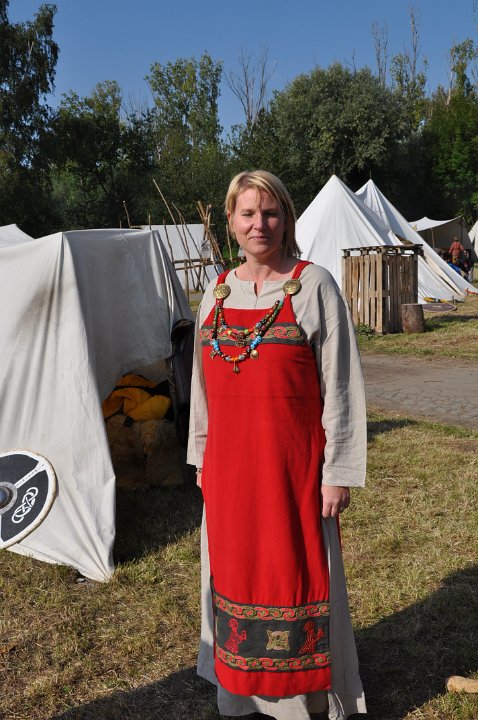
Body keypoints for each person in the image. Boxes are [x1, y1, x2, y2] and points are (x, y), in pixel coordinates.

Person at [187, 170, 367, 720]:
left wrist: (337, 471)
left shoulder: (314, 287)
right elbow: (200, 387)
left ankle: (303, 702)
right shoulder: (216, 294)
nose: (259, 224)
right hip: (229, 471)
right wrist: (200, 458)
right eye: (248, 213)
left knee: (296, 576)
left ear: (286, 218)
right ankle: (242, 698)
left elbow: (341, 385)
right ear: (231, 221)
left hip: (294, 471)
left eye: (270, 213)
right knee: (234, 574)